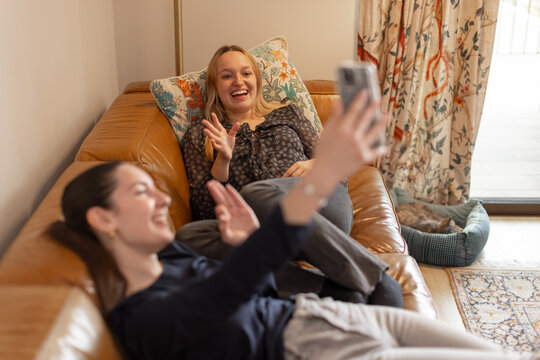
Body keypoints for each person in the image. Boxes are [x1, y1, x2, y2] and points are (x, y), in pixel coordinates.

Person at [48, 92, 539, 360]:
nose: (159, 196)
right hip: (314, 338)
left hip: (315, 231)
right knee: (238, 207)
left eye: (153, 187)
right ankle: (362, 280)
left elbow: (241, 295)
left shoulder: (288, 115)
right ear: (102, 219)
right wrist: (243, 231)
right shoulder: (144, 318)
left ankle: (363, 278)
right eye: (141, 192)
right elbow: (230, 291)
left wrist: (321, 172)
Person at [180, 44, 401, 305]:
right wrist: (223, 162)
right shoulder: (200, 134)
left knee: (257, 192)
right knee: (187, 239)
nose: (238, 81)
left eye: (246, 73)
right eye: (227, 76)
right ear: (215, 86)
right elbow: (206, 211)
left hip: (320, 206)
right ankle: (328, 289)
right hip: (262, 230)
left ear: (257, 80)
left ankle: (376, 278)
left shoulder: (288, 114)